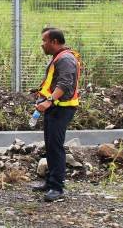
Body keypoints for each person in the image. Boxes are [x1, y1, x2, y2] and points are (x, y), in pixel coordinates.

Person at [32, 27, 80, 202]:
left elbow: (65, 83)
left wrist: (49, 100)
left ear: (54, 42)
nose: (42, 44)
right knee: (50, 145)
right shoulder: (59, 57)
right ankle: (51, 182)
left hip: (62, 108)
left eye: (44, 41)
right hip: (56, 107)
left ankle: (57, 188)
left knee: (56, 146)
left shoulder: (65, 59)